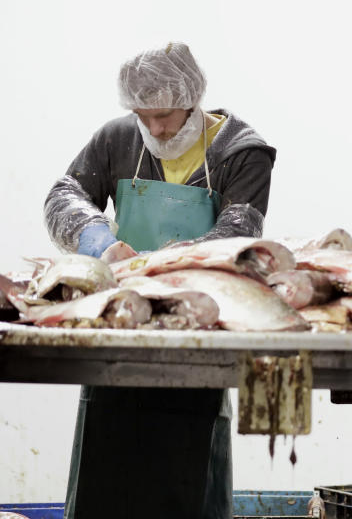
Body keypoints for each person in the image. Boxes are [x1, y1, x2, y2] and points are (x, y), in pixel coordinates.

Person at [44, 42, 276, 519]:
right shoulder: (118, 139)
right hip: (121, 328)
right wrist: (97, 241)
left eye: (165, 115)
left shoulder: (241, 151)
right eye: (142, 115)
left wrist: (164, 265)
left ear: (192, 99)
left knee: (188, 470)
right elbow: (65, 194)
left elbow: (238, 232)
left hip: (195, 328)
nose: (154, 128)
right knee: (104, 471)